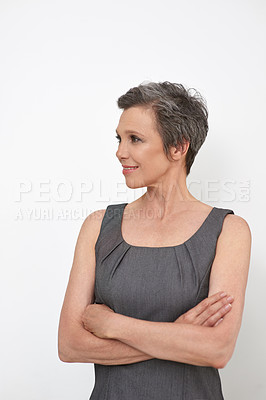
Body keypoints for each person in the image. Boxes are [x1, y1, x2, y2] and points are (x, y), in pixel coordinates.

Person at [58, 81, 252, 399]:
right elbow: (70, 345)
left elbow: (217, 350)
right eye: (120, 139)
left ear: (178, 147)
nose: (121, 151)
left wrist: (112, 324)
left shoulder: (229, 230)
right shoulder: (97, 226)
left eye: (135, 139)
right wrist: (180, 333)